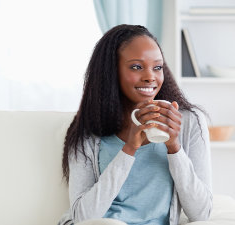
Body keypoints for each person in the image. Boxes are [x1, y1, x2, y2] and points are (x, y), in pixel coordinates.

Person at [58, 24, 212, 225]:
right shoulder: (89, 128)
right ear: (111, 71)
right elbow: (83, 217)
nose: (150, 76)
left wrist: (174, 148)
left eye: (157, 67)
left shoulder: (191, 122)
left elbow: (201, 214)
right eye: (136, 67)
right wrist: (129, 149)